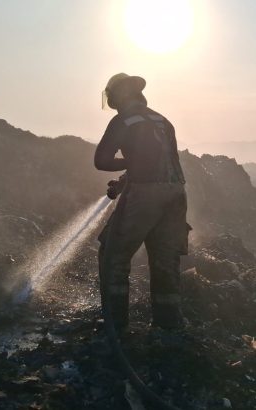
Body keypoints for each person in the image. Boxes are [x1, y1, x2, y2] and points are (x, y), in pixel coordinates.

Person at [94, 73, 189, 330]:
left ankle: (116, 328)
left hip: (145, 196)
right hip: (176, 194)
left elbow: (101, 161)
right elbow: (161, 163)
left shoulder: (123, 121)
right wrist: (125, 181)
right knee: (165, 261)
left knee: (112, 256)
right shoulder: (162, 121)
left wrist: (128, 164)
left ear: (116, 96)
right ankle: (168, 328)